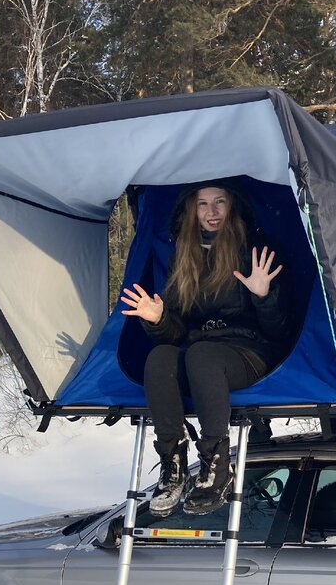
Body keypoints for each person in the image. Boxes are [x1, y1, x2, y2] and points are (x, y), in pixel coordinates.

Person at [120, 183, 288, 516]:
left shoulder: (255, 251)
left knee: (200, 355)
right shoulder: (185, 256)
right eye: (202, 205)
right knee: (160, 358)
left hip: (249, 352)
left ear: (232, 206)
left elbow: (279, 330)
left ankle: (216, 465)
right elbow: (175, 334)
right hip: (203, 354)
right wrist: (158, 318)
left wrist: (262, 295)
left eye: (219, 202)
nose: (211, 212)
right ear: (191, 211)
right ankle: (174, 462)